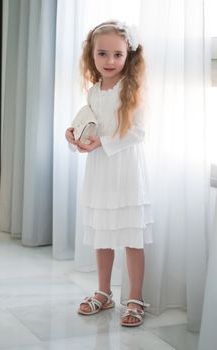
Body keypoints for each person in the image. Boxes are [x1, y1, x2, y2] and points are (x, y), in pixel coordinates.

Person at [65, 20, 154, 327]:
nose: (110, 61)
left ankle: (135, 297)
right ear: (92, 55)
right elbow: (88, 123)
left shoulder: (132, 89)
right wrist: (75, 135)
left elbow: (138, 132)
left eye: (117, 54)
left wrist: (102, 141)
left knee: (131, 237)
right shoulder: (93, 91)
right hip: (100, 171)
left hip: (126, 170)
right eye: (102, 54)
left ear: (128, 55)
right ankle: (104, 292)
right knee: (102, 234)